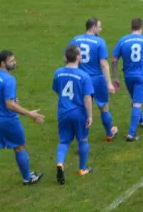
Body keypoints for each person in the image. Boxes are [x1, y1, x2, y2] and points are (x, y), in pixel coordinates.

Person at [0, 50, 44, 199]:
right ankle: (27, 178)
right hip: (7, 120)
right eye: (12, 60)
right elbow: (9, 105)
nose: (15, 62)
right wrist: (30, 114)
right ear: (3, 63)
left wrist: (12, 100)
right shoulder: (9, 79)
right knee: (19, 147)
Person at [69, 18, 118, 141]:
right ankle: (109, 133)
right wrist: (109, 83)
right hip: (97, 79)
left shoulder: (75, 40)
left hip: (80, 79)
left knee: (83, 109)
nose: (101, 29)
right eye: (99, 26)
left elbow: (68, 59)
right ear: (94, 27)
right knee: (104, 107)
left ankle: (82, 139)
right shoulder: (99, 42)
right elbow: (104, 63)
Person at [53, 45, 94, 184]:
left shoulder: (58, 72)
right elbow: (87, 98)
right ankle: (82, 169)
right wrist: (90, 115)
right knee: (82, 140)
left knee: (64, 141)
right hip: (79, 112)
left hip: (63, 111)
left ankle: (60, 163)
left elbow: (57, 89)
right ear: (77, 57)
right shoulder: (84, 75)